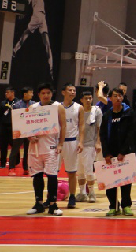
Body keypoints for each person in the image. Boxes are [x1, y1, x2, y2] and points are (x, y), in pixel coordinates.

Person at [24, 83, 66, 216]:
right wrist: (29, 136)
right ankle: (38, 204)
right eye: (43, 93)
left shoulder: (58, 107)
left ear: (52, 94)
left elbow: (63, 126)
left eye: (48, 93)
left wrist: (60, 144)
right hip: (35, 147)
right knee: (37, 176)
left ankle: (53, 205)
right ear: (39, 95)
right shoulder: (32, 108)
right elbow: (26, 127)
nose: (46, 95)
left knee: (52, 176)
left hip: (51, 147)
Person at [12, 0, 55, 80]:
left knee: (46, 42)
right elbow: (28, 1)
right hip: (37, 15)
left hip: (42, 17)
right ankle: (15, 49)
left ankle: (51, 67)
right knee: (27, 34)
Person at [100, 87, 136, 216]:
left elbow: (131, 133)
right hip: (111, 152)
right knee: (111, 181)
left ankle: (126, 205)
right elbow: (103, 135)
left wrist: (123, 151)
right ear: (110, 98)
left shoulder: (129, 113)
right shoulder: (107, 115)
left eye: (120, 96)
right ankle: (113, 206)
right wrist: (106, 153)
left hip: (125, 152)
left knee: (126, 181)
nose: (118, 98)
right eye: (115, 96)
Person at [59, 83, 82, 208]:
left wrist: (81, 142)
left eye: (74, 90)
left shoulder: (79, 107)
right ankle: (51, 197)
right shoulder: (56, 106)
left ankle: (72, 196)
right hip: (57, 142)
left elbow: (82, 126)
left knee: (72, 172)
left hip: (72, 141)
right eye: (70, 90)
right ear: (63, 92)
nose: (73, 92)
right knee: (52, 172)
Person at [76, 89, 101, 203]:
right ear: (81, 100)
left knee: (89, 170)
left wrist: (98, 142)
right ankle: (82, 193)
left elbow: (99, 128)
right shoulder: (78, 110)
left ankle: (92, 193)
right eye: (86, 98)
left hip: (90, 144)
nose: (88, 100)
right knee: (80, 170)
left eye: (90, 98)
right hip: (77, 144)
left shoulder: (96, 111)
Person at [0, 86, 17, 169]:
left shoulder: (18, 103)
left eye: (7, 92)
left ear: (12, 93)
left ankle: (16, 161)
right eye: (5, 92)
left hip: (14, 126)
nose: (6, 94)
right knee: (3, 145)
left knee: (14, 145)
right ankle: (2, 163)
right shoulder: (3, 103)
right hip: (4, 127)